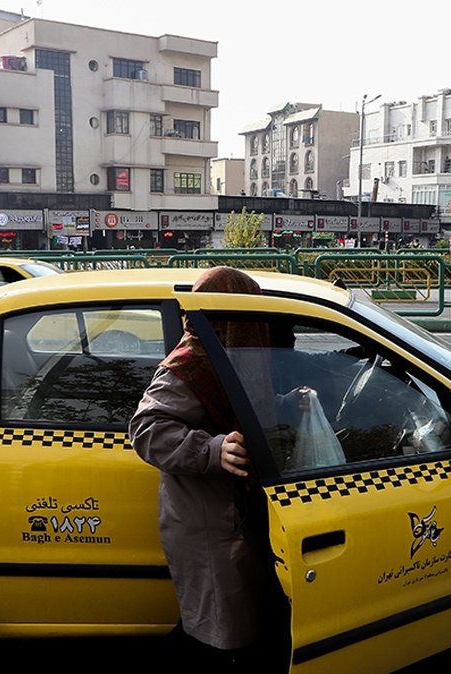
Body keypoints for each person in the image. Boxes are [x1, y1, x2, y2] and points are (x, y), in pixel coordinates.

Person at [129, 267, 291, 673]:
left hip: (231, 516)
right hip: (208, 523)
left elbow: (243, 406)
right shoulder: (190, 363)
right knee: (219, 629)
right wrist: (213, 449)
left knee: (228, 620)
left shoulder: (230, 356)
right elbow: (147, 429)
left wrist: (289, 404)